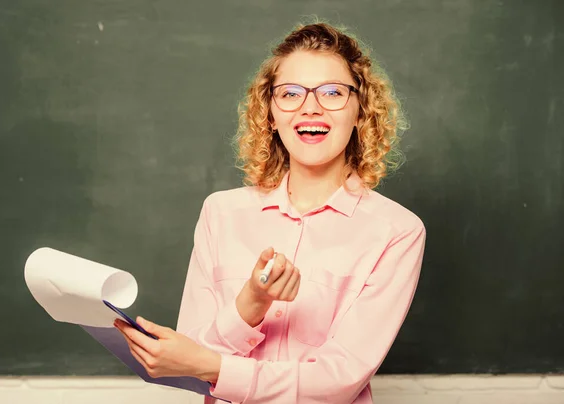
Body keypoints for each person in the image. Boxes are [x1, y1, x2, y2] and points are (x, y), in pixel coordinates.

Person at [114, 20, 426, 404]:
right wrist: (252, 304)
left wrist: (213, 366)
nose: (310, 107)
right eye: (291, 93)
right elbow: (189, 357)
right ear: (271, 114)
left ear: (361, 110)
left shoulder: (397, 231)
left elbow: (338, 380)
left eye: (332, 92)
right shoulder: (221, 213)